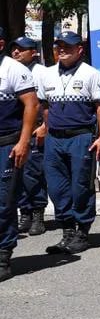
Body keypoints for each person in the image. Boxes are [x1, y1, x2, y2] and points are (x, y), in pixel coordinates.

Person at [35, 31, 100, 256]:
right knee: (57, 187)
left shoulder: (91, 74)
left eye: (68, 46)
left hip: (81, 137)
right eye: (59, 46)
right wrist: (47, 128)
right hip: (55, 138)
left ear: (79, 50)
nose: (63, 50)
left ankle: (82, 232)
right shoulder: (46, 74)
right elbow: (44, 105)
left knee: (81, 185)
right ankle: (67, 231)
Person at [0, 27, 39, 282]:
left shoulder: (14, 70)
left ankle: (3, 255)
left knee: (3, 202)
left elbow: (32, 105)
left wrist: (24, 142)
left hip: (7, 144)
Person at [10, 37, 47, 236]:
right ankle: (24, 212)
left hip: (35, 130)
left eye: (22, 49)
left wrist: (45, 127)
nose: (16, 52)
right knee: (17, 173)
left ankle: (37, 213)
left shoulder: (41, 72)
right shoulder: (9, 70)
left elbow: (48, 102)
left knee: (33, 173)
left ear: (33, 52)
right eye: (14, 49)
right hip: (16, 130)